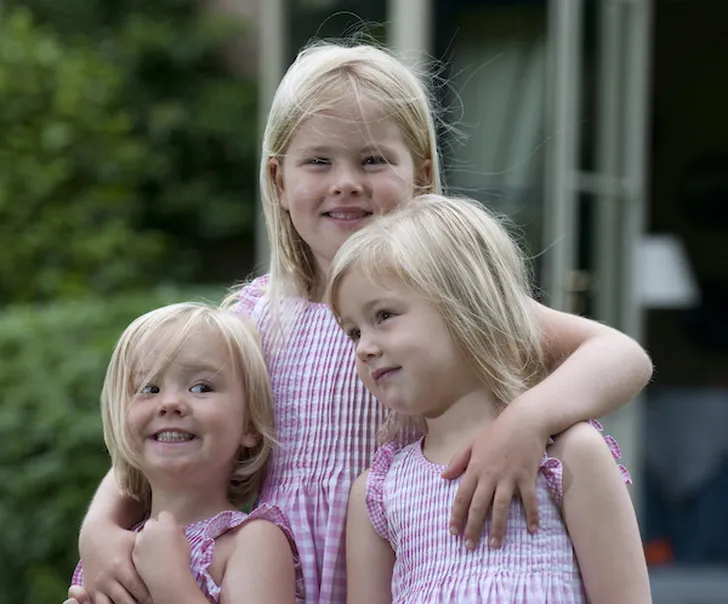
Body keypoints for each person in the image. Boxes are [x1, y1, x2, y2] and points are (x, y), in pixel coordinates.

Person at [76, 41, 653, 604]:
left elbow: (621, 356)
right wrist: (100, 527)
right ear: (278, 181)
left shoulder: (447, 300)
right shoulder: (251, 320)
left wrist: (526, 421)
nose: (346, 182)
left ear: (420, 174)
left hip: (411, 560)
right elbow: (172, 426)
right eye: (318, 161)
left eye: (373, 159)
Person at [329, 194, 652, 603]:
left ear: (465, 304)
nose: (364, 348)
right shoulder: (377, 494)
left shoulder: (568, 456)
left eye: (384, 316)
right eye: (354, 332)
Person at [65, 303, 304, 604]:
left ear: (250, 425)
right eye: (149, 388)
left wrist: (169, 579)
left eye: (201, 387)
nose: (170, 403)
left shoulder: (253, 542)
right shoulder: (111, 553)